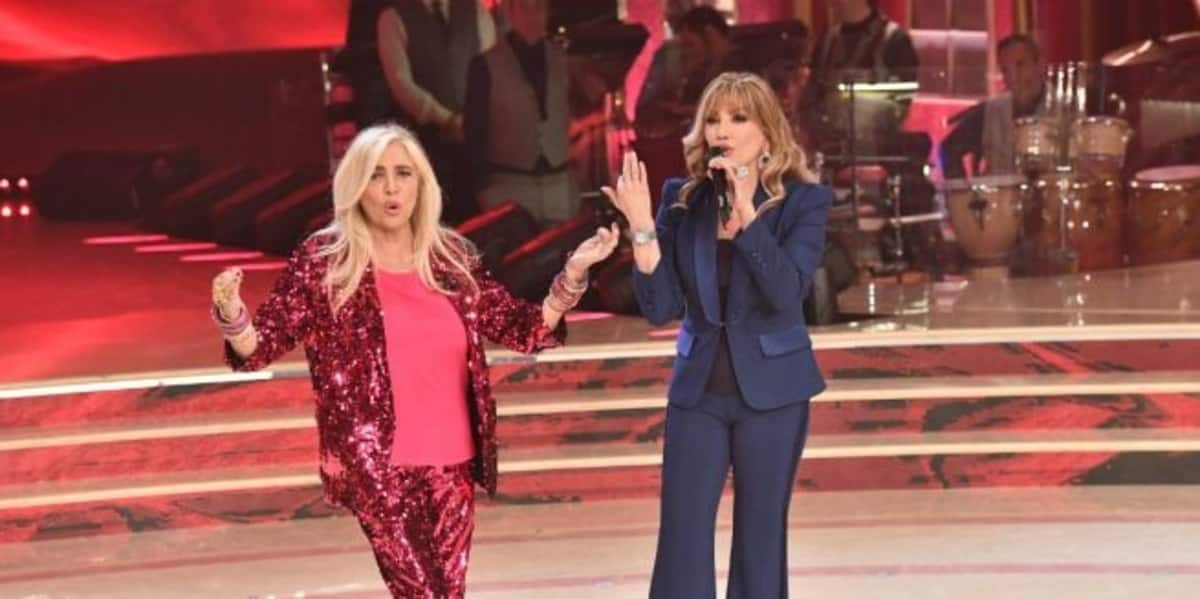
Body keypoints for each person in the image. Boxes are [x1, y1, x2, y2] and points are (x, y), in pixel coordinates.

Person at [210, 124, 618, 597]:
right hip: (377, 463)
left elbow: (522, 329)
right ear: (356, 184)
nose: (391, 188)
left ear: (421, 183)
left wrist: (573, 274)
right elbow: (260, 345)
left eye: (403, 174)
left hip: (453, 460)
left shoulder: (451, 258)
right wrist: (232, 314)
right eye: (376, 175)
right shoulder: (326, 262)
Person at [604, 72, 832, 598]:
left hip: (774, 394)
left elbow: (787, 292)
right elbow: (660, 306)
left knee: (759, 539)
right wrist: (642, 227)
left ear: (767, 132)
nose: (722, 130)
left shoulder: (805, 202)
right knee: (682, 536)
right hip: (699, 392)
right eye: (713, 119)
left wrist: (748, 213)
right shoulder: (683, 200)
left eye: (738, 118)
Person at [375, 0, 499, 223]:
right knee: (432, 220)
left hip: (475, 146)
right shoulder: (393, 18)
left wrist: (473, 119)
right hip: (425, 146)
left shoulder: (477, 12)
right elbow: (401, 84)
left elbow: (492, 71)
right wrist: (446, 119)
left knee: (478, 222)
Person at [463, 0, 576, 224]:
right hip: (507, 186)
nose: (532, 16)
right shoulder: (484, 65)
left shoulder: (565, 59)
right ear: (511, 12)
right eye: (525, 7)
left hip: (560, 185)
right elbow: (474, 132)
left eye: (539, 8)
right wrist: (483, 191)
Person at [941, 33, 1048, 178]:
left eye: (1020, 65)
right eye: (1005, 70)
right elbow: (948, 149)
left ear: (1040, 65)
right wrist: (963, 190)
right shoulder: (992, 111)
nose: (1013, 77)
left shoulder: (1065, 108)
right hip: (1000, 192)